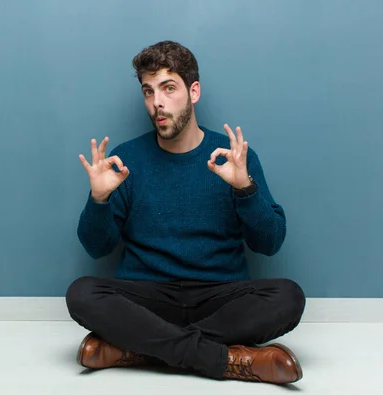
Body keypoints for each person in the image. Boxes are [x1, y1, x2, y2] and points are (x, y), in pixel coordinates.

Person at [65, 41, 306, 384]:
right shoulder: (126, 159)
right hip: (149, 297)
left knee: (288, 297)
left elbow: (270, 242)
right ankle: (227, 360)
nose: (157, 103)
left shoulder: (234, 158)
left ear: (193, 92)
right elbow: (96, 248)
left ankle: (138, 349)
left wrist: (245, 189)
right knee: (81, 293)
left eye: (168, 88)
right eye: (148, 92)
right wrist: (99, 199)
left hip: (219, 297)